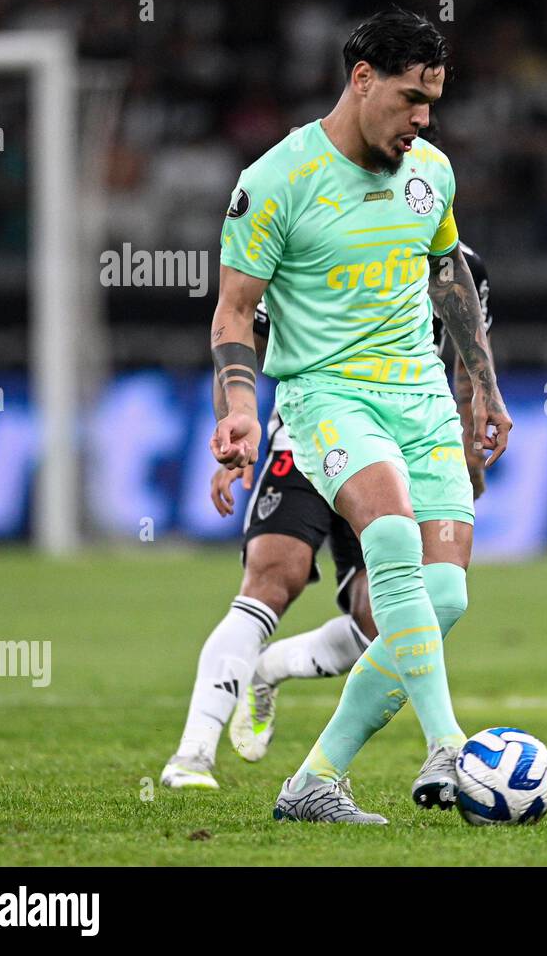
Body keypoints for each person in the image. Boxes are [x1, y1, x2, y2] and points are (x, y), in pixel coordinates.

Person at [207, 7, 510, 824]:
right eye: (410, 99)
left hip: (420, 398)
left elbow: (449, 277)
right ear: (362, 79)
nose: (421, 119)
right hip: (328, 396)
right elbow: (235, 314)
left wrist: (480, 387)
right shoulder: (276, 180)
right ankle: (449, 745)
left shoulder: (431, 174)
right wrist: (240, 409)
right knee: (393, 543)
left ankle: (312, 782)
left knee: (443, 598)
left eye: (432, 106)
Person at [160, 242, 493, 790]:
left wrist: (468, 448)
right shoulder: (318, 243)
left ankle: (270, 670)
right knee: (272, 579)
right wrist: (231, 433)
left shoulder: (462, 268)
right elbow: (238, 329)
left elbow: (464, 356)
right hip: (314, 435)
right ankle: (192, 755)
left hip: (405, 446)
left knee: (390, 621)